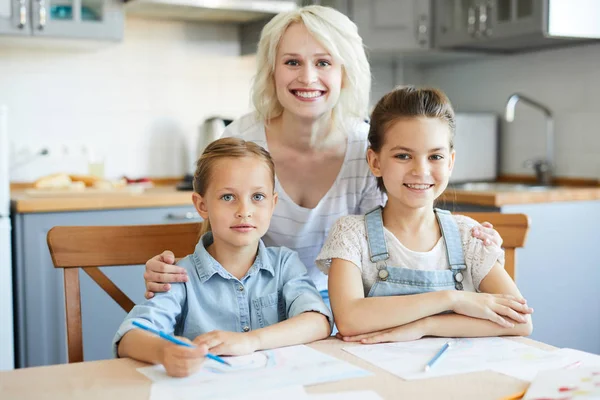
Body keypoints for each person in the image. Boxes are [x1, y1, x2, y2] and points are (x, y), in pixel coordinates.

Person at [142, 5, 503, 306]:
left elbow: (394, 235)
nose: (308, 77)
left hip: (343, 307)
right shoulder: (242, 140)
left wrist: (468, 239)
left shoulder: (366, 149)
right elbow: (217, 234)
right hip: (256, 303)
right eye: (292, 62)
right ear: (272, 70)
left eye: (324, 62)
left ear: (346, 72)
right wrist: (176, 273)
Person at [316, 86, 533, 343]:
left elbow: (520, 322)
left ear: (450, 162)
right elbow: (350, 319)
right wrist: (451, 298)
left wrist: (426, 325)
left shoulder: (467, 236)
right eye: (403, 155)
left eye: (435, 156)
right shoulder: (351, 235)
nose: (421, 170)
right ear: (375, 162)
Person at [114, 138, 332, 377]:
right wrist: (164, 351)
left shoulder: (285, 264)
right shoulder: (178, 275)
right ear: (202, 205)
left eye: (258, 197)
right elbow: (129, 337)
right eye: (228, 197)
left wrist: (250, 341)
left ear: (273, 203)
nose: (244, 211)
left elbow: (318, 321)